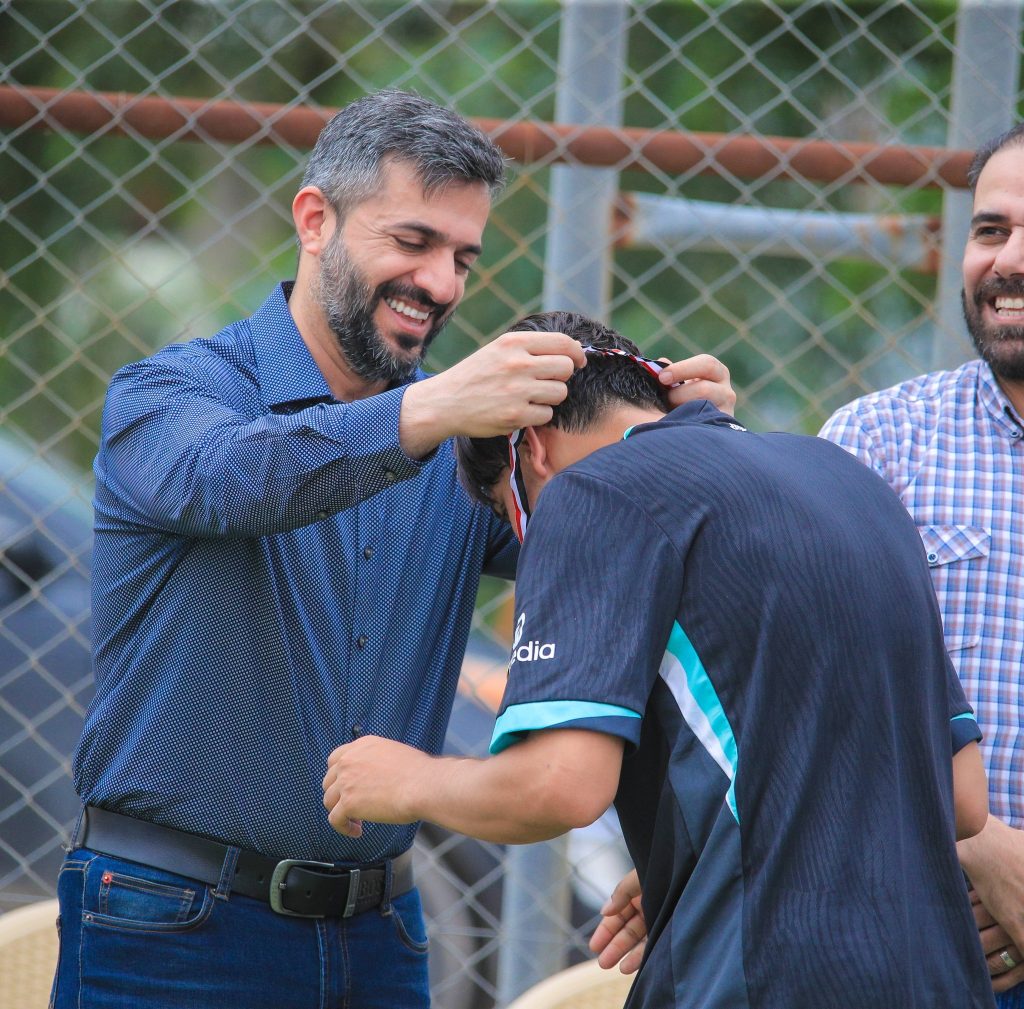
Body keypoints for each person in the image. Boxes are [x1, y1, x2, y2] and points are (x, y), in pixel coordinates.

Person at [52, 90, 735, 1009]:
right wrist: (433, 409)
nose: (443, 283)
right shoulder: (167, 395)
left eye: (462, 257)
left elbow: (633, 570)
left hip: (385, 937)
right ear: (314, 221)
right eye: (414, 241)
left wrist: (678, 454)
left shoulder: (468, 445)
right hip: (169, 929)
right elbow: (226, 479)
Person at [322, 309, 993, 1009]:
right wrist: (708, 850)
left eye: (509, 512)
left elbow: (559, 786)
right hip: (938, 974)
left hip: (756, 974)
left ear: (532, 449)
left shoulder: (591, 488)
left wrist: (408, 780)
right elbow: (960, 796)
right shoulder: (847, 479)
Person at [819, 123, 1024, 1007]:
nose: (1007, 262)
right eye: (991, 230)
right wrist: (984, 848)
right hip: (905, 936)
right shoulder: (880, 444)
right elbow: (806, 694)